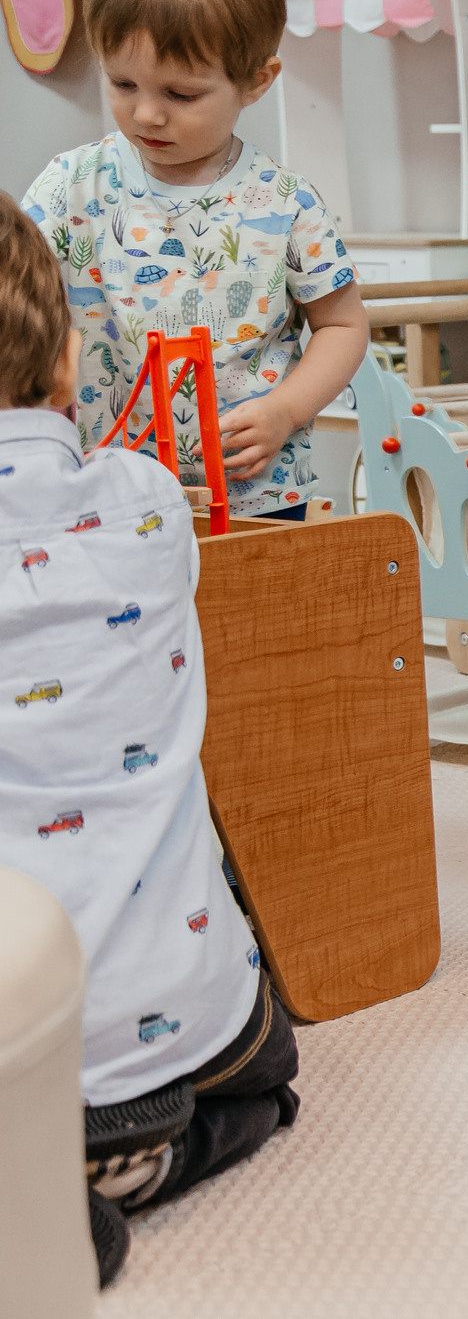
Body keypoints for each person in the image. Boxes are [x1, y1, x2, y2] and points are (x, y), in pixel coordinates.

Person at [0, 204, 300, 1287]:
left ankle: (80, 1174)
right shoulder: (143, 502)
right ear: (70, 363)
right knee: (271, 1068)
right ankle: (168, 1140)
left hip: (21, 1045)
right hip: (195, 1010)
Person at [19, 0, 365, 520]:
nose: (146, 113)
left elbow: (342, 327)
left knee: (249, 618)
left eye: (180, 95)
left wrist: (285, 411)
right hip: (101, 492)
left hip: (252, 492)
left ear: (257, 81)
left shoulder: (287, 203)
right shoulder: (69, 186)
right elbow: (16, 301)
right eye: (123, 83)